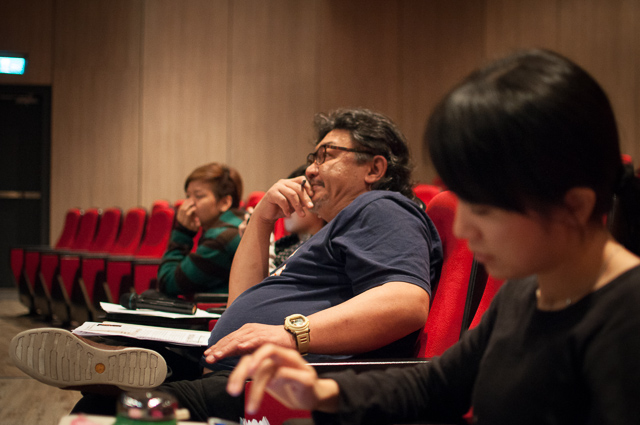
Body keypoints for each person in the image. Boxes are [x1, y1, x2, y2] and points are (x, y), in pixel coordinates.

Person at [227, 50, 640, 425]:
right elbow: (436, 385)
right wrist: (323, 392)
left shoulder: (627, 316)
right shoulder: (526, 291)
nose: (461, 230)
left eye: (484, 209)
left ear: (574, 206)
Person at [10, 108, 443, 422]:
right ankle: (126, 362)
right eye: (311, 158)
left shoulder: (382, 208)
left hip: (282, 382)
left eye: (326, 155)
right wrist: (263, 219)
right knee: (106, 397)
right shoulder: (338, 227)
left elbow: (405, 303)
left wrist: (288, 333)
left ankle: (127, 368)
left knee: (109, 408)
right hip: (238, 366)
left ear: (375, 168)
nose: (310, 170)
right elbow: (243, 301)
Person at [157, 162, 245, 297]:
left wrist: (182, 233)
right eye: (188, 196)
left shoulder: (220, 239)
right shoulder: (238, 223)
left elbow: (167, 282)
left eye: (199, 196)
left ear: (224, 203)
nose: (188, 204)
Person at [272, 164, 326, 270]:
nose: (287, 206)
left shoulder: (318, 252)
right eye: (286, 198)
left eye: (296, 198)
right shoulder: (282, 246)